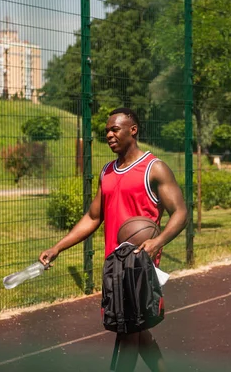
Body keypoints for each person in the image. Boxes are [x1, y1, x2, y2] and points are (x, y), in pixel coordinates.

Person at [39, 107, 188, 372]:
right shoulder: (107, 172)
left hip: (138, 267)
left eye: (114, 129)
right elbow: (93, 217)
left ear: (133, 130)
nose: (108, 134)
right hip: (113, 265)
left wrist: (158, 241)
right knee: (138, 332)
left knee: (127, 333)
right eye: (107, 130)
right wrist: (58, 247)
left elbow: (180, 212)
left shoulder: (155, 169)